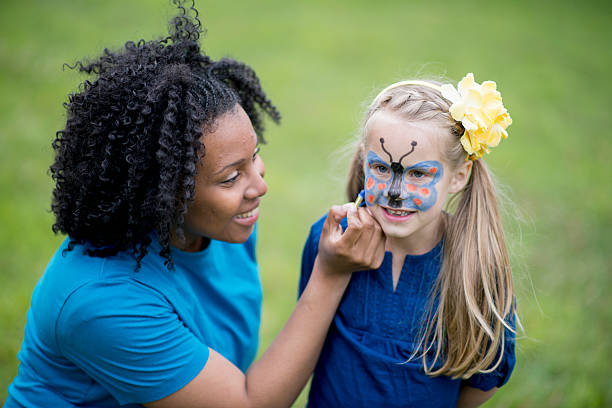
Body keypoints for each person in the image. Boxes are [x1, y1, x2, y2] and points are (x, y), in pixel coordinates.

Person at [4, 3, 386, 407]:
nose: (259, 186)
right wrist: (329, 275)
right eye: (231, 177)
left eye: (253, 156)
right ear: (164, 193)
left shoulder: (219, 227)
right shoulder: (101, 299)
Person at [299, 74, 517, 407]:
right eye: (381, 168)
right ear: (363, 161)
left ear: (458, 177)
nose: (395, 192)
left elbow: (486, 376)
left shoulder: (477, 265)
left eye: (418, 173)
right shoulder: (331, 241)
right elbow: (305, 339)